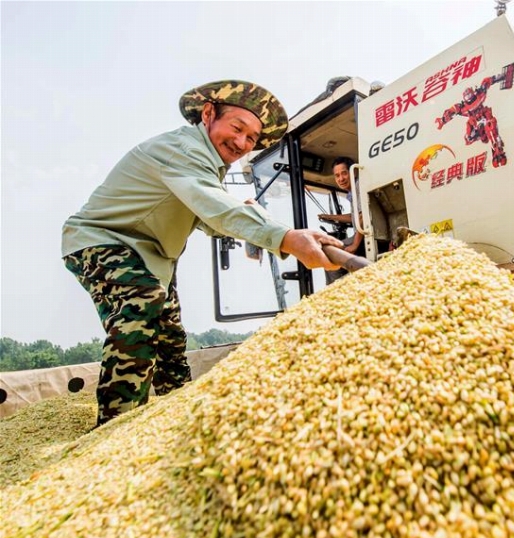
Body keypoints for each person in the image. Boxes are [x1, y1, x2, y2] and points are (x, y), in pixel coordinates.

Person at [62, 79, 343, 426]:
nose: (241, 142)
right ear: (209, 114)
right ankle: (114, 425)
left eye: (251, 139)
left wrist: (256, 221)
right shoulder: (183, 150)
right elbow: (215, 209)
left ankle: (176, 415)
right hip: (102, 240)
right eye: (237, 128)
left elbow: (211, 218)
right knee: (142, 301)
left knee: (170, 335)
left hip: (152, 257)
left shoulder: (208, 168)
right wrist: (286, 238)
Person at [318, 156, 364, 283]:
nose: (341, 179)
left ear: (353, 172)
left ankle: (337, 290)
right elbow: (353, 217)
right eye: (337, 176)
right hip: (361, 235)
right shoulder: (352, 193)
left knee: (330, 253)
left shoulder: (359, 186)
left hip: (365, 237)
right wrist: (330, 217)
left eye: (344, 173)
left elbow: (362, 217)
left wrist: (355, 244)